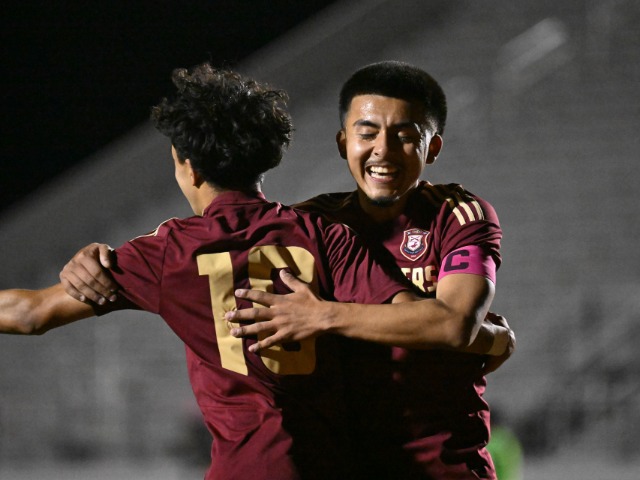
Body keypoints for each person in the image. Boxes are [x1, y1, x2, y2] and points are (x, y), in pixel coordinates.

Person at [1, 62, 511, 479]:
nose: (382, 149)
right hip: (343, 465)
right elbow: (448, 327)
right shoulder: (320, 228)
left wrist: (323, 315)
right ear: (342, 143)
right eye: (368, 133)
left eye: (403, 136)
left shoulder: (455, 215)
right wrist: (489, 339)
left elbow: (451, 323)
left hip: (436, 468)